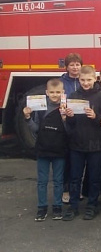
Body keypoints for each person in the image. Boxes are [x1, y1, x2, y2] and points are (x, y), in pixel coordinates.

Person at [63, 66, 101, 221]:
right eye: (82, 80)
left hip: (96, 143)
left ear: (95, 79)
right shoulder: (74, 95)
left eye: (89, 80)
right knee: (75, 176)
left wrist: (96, 116)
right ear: (78, 79)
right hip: (77, 144)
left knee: (94, 177)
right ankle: (73, 206)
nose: (86, 83)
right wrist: (69, 116)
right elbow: (71, 124)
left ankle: (92, 206)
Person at [24, 78, 68, 221]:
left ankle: (57, 207)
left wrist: (65, 118)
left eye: (58, 92)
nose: (54, 95)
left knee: (58, 180)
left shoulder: (66, 108)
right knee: (42, 181)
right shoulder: (40, 108)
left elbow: (69, 131)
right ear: (46, 93)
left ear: (63, 93)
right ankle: (41, 208)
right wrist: (27, 118)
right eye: (52, 92)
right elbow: (35, 128)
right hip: (43, 149)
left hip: (59, 150)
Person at [60, 52, 82, 204]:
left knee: (79, 161)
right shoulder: (61, 82)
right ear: (67, 67)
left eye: (77, 64)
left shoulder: (84, 81)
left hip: (81, 125)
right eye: (72, 65)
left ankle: (78, 190)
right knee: (67, 160)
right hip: (66, 125)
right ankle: (66, 190)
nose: (75, 67)